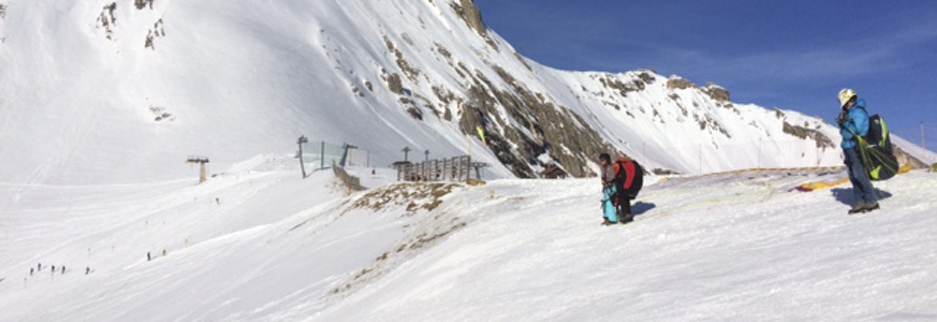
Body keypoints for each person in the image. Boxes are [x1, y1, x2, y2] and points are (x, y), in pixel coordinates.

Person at [837, 88, 879, 214]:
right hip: (848, 147)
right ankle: (859, 202)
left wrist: (845, 125)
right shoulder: (850, 113)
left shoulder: (858, 112)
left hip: (856, 147)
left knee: (859, 174)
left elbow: (857, 130)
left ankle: (871, 200)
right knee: (853, 176)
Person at [599, 153, 619, 225]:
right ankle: (606, 217)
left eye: (603, 160)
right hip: (607, 187)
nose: (602, 162)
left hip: (612, 187)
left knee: (608, 202)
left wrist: (607, 181)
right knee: (605, 202)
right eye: (601, 160)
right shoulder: (604, 168)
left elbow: (613, 176)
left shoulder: (610, 167)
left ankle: (612, 218)